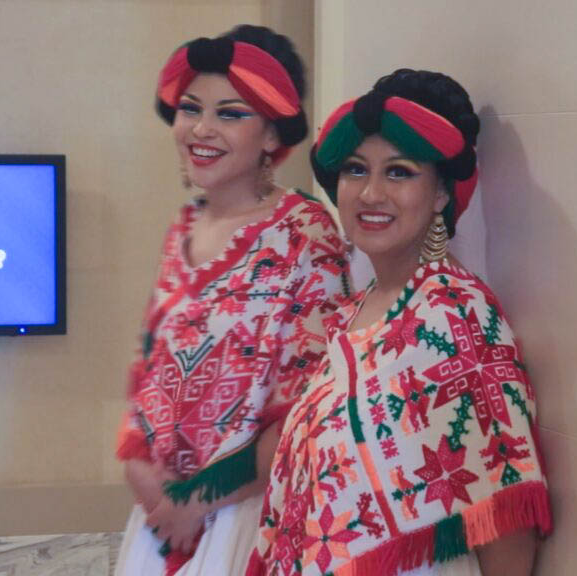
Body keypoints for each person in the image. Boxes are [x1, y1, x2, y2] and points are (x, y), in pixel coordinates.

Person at [247, 69, 552, 576]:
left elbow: (504, 510)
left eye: (399, 172)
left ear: (440, 194)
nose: (370, 193)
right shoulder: (354, 312)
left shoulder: (456, 312)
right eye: (355, 170)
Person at [114, 25, 352, 576]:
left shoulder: (305, 234)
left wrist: (195, 504)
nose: (201, 128)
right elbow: (149, 372)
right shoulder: (184, 227)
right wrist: (148, 484)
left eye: (230, 113)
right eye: (191, 108)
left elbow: (303, 411)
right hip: (160, 521)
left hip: (246, 521)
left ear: (273, 134)